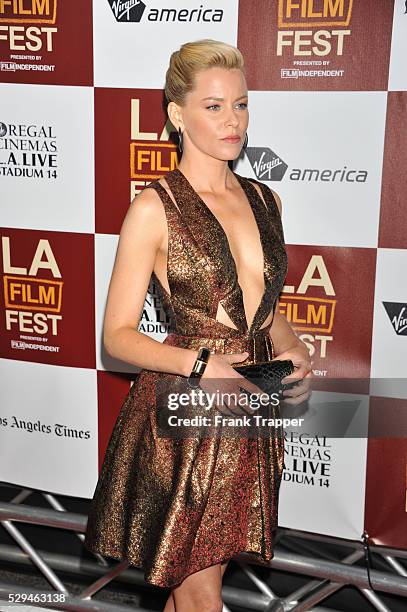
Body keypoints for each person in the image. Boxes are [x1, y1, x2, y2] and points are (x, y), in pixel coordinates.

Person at [84, 39, 312, 612]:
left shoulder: (266, 199)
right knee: (201, 591)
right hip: (185, 414)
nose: (232, 120)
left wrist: (294, 347)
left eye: (240, 105)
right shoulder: (154, 207)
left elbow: (260, 308)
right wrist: (203, 365)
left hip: (250, 408)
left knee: (191, 588)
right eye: (213, 106)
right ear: (176, 114)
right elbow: (116, 336)